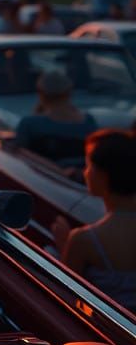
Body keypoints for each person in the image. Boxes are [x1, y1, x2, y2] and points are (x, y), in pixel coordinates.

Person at [52, 129, 136, 313]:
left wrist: (64, 247)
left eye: (89, 165)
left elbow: (65, 298)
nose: (85, 172)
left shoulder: (84, 240)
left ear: (104, 175)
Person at [14, 69, 95, 162]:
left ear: (41, 94)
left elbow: (21, 159)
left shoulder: (29, 124)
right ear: (69, 92)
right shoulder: (88, 122)